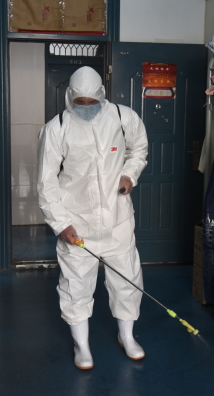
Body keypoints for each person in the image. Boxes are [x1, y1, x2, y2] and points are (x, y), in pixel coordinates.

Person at [37, 66, 149, 369]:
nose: (86, 108)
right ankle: (82, 345)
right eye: (80, 102)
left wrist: (129, 175)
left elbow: (139, 149)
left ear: (102, 95)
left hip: (117, 221)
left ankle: (127, 336)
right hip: (77, 224)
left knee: (127, 280)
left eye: (92, 102)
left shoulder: (123, 118)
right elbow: (46, 182)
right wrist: (61, 224)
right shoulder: (57, 128)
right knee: (76, 286)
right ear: (69, 97)